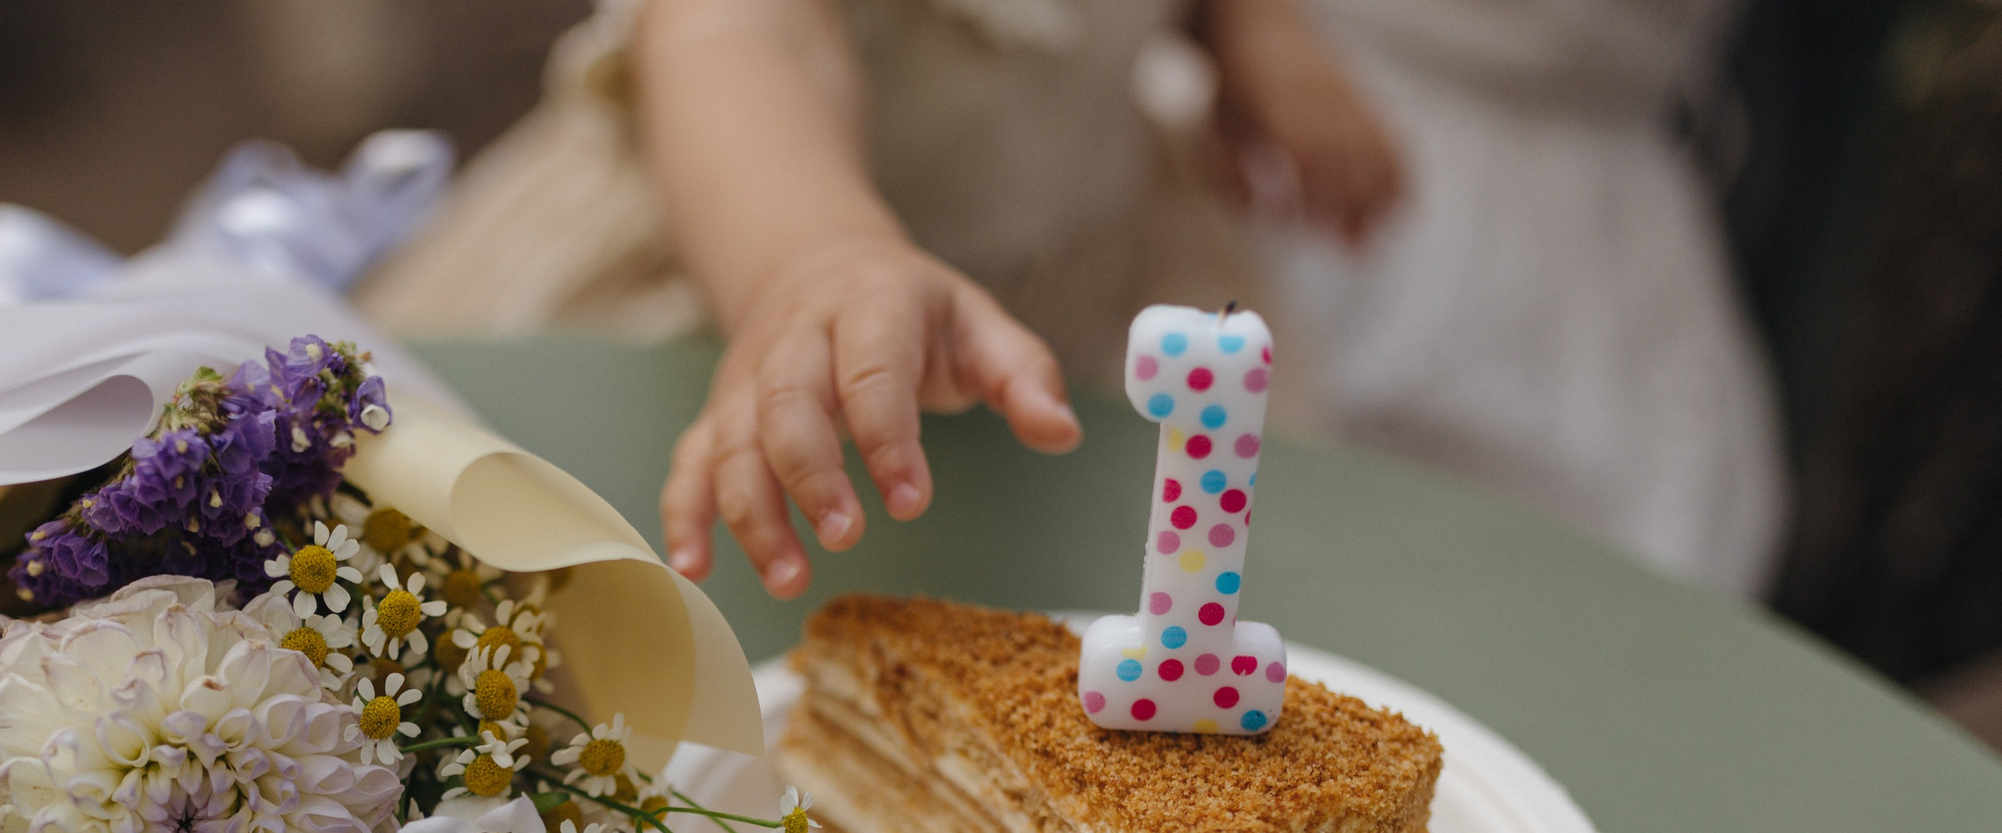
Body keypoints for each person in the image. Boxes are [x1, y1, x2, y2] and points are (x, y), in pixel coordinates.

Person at [360, 0, 1404, 597]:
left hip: (1084, 269)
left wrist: (1254, 36)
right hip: (751, 244)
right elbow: (739, 38)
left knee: (1180, 585)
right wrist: (812, 261)